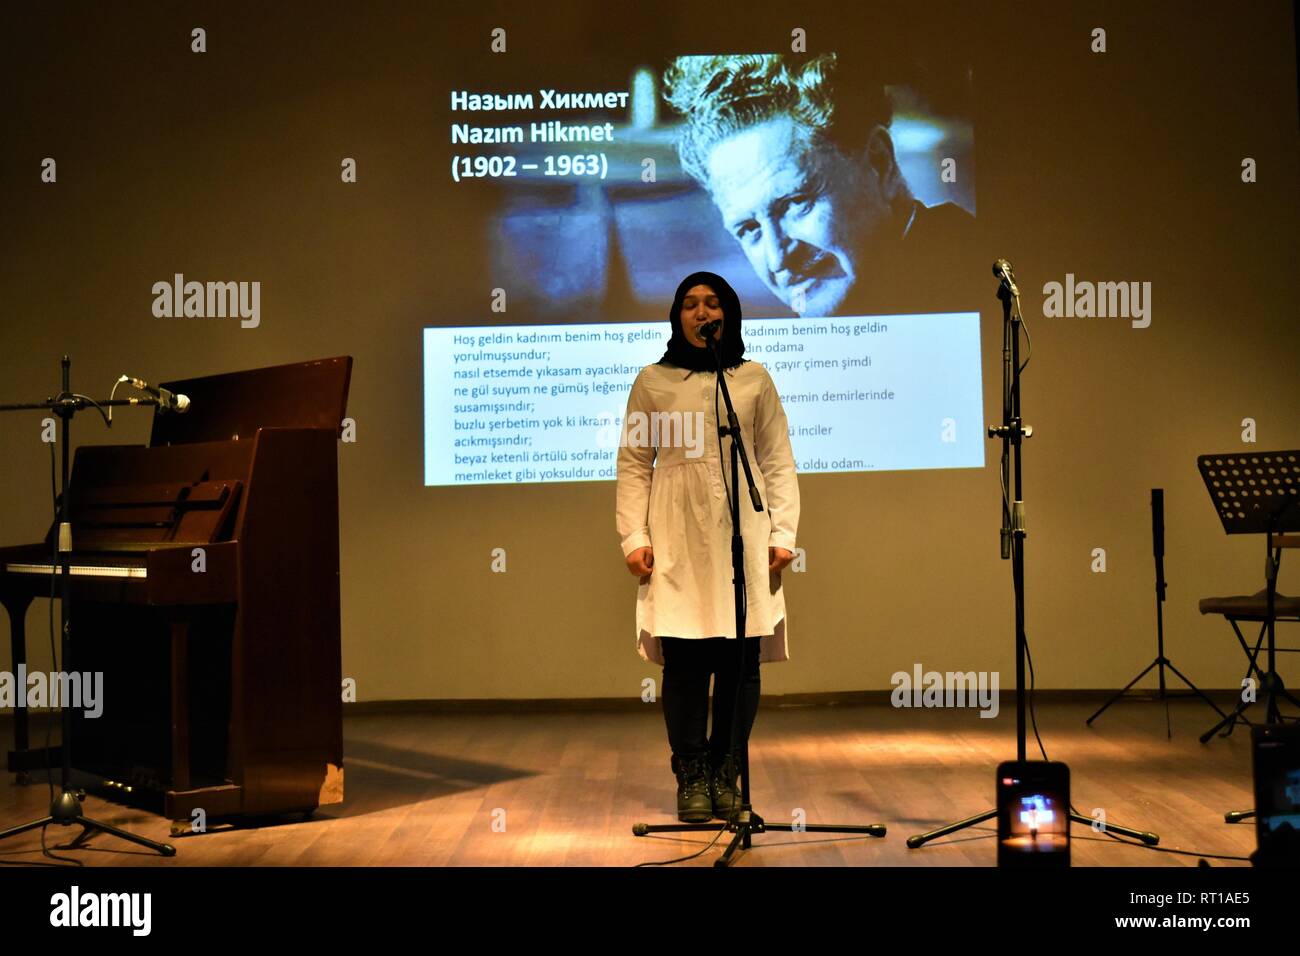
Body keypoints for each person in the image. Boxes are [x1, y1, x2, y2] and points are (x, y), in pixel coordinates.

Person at [615, 271, 800, 822]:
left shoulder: (753, 380)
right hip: (677, 540)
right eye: (690, 304)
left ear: (729, 314)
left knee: (740, 664)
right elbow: (633, 465)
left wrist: (784, 534)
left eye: (712, 303)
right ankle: (691, 771)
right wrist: (633, 536)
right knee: (688, 662)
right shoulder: (653, 381)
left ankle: (728, 770)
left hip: (745, 536)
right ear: (676, 316)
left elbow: (778, 461)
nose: (701, 312)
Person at [662, 53, 977, 317]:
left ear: (880, 164)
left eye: (797, 203)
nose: (778, 258)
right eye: (748, 229)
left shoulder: (975, 281)